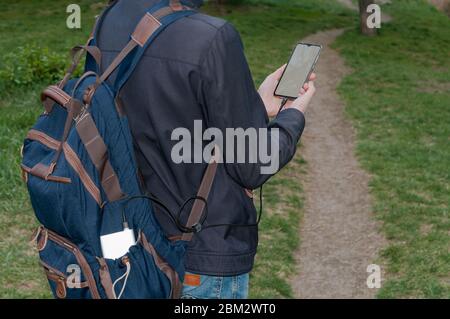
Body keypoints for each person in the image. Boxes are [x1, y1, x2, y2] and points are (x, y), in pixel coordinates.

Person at [97, 0, 316, 299]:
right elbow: (251, 163)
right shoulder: (212, 36)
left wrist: (254, 105)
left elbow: (155, 114)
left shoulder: (110, 21)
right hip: (201, 252)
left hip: (131, 247)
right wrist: (293, 116)